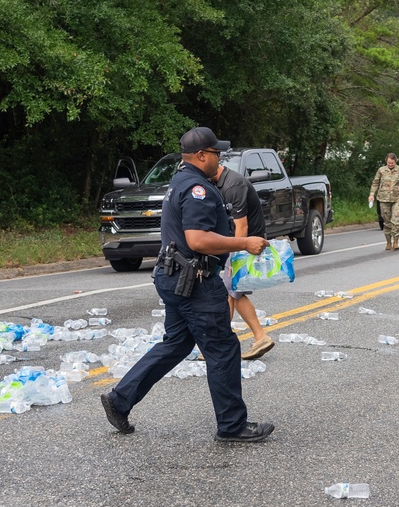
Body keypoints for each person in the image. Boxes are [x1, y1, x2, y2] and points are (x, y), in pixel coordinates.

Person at [100, 127, 274, 442]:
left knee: (176, 344)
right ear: (201, 155)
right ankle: (232, 425)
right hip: (195, 282)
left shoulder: (178, 183)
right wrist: (244, 242)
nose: (219, 158)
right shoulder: (198, 189)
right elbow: (198, 239)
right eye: (216, 153)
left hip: (174, 277)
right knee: (223, 348)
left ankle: (119, 400)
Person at [213, 162, 275, 360]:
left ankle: (257, 337)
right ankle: (230, 342)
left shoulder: (234, 185)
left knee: (231, 291)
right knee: (232, 293)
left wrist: (235, 257)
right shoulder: (218, 183)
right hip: (237, 242)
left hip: (248, 242)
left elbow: (242, 226)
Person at [368, 153, 399, 251]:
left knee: (396, 221)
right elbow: (375, 182)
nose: (390, 164)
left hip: (397, 199)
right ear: (386, 161)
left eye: (392, 163)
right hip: (383, 199)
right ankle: (388, 242)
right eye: (389, 163)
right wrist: (372, 194)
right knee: (387, 222)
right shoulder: (381, 170)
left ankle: (396, 242)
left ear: (396, 161)